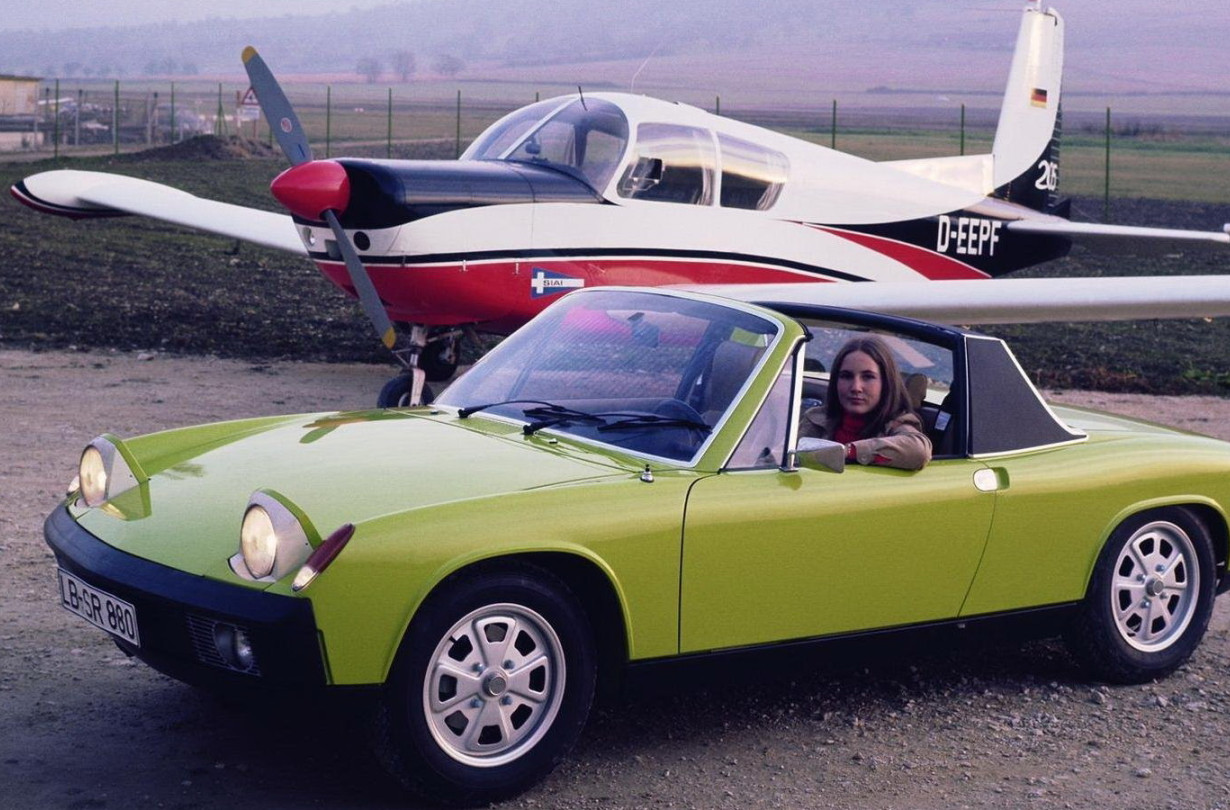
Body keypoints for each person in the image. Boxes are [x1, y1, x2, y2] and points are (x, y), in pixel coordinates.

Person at [798, 335, 931, 471]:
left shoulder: (897, 424)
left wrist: (849, 451)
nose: (856, 387)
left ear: (885, 383)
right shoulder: (815, 418)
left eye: (868, 377)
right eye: (846, 376)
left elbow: (919, 450)